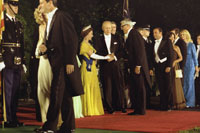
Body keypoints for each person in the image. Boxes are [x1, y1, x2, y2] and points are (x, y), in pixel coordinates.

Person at [37, 0, 84, 132]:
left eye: (41, 2)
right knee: (65, 95)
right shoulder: (51, 19)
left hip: (63, 63)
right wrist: (46, 49)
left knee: (56, 94)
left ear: (50, 2)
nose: (40, 5)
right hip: (57, 62)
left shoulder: (62, 16)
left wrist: (69, 61)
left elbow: (71, 39)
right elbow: (56, 43)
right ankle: (68, 126)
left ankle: (49, 127)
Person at [0, 0, 26, 128]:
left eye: (17, 4)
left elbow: (21, 44)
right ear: (6, 6)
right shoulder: (2, 23)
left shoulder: (18, 23)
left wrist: (23, 61)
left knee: (15, 91)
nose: (16, 7)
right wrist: (0, 59)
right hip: (7, 61)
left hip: (17, 60)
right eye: (13, 4)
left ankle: (14, 117)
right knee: (8, 91)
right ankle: (7, 118)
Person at [120, 19, 151, 115]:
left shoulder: (134, 34)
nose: (121, 28)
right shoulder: (132, 34)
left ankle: (141, 110)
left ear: (127, 26)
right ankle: (137, 109)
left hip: (138, 67)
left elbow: (139, 51)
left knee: (139, 87)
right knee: (135, 87)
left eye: (122, 26)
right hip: (134, 66)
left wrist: (138, 65)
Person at [95, 21, 126, 114]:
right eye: (106, 28)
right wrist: (106, 57)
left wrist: (114, 56)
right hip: (105, 65)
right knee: (107, 87)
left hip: (116, 65)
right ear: (103, 28)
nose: (108, 30)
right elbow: (96, 51)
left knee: (119, 86)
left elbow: (122, 51)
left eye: (110, 28)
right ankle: (109, 107)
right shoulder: (98, 39)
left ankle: (121, 106)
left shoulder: (117, 38)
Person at [80, 25, 107, 116]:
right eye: (91, 34)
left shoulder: (88, 44)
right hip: (87, 69)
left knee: (92, 85)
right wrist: (105, 57)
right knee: (87, 86)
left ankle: (93, 108)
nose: (92, 36)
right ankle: (88, 109)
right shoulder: (84, 44)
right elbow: (92, 56)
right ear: (86, 34)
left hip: (91, 68)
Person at [151, 27, 173, 111]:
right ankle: (163, 104)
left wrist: (169, 66)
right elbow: (152, 55)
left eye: (156, 32)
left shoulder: (167, 41)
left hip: (165, 65)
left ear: (161, 33)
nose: (154, 34)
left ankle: (169, 105)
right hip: (157, 66)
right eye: (153, 33)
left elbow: (171, 54)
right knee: (161, 86)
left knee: (167, 86)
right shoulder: (153, 43)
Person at [167, 32, 186, 109]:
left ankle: (176, 103)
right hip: (167, 67)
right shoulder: (165, 47)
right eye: (170, 37)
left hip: (175, 67)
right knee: (169, 84)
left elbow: (181, 58)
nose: (171, 39)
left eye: (173, 37)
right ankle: (169, 103)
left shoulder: (176, 47)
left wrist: (175, 61)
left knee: (176, 84)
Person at [180, 29, 198, 108]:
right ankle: (184, 101)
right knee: (184, 83)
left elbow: (195, 57)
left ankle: (190, 102)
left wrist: (196, 67)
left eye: (183, 34)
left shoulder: (191, 45)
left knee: (189, 83)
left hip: (190, 66)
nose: (182, 36)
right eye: (181, 35)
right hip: (183, 66)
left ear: (187, 35)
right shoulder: (181, 45)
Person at [137, 24, 153, 109]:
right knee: (142, 85)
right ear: (142, 31)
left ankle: (148, 103)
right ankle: (143, 104)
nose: (148, 32)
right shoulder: (140, 41)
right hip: (142, 66)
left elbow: (150, 56)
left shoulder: (149, 41)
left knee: (148, 84)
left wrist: (150, 68)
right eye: (146, 30)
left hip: (148, 66)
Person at [195, 34, 200, 107]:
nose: (198, 40)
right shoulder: (195, 48)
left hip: (199, 69)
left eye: (199, 38)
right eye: (197, 38)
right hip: (195, 70)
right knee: (197, 85)